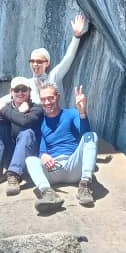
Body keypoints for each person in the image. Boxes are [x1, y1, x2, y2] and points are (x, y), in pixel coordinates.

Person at [0, 15, 88, 123]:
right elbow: (10, 97)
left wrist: (76, 37)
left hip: (61, 122)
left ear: (46, 63)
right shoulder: (28, 84)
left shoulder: (54, 77)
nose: (35, 64)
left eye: (39, 61)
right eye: (32, 61)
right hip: (41, 126)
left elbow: (68, 59)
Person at [24, 83, 98, 212]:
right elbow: (42, 150)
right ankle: (49, 194)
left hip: (74, 165)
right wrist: (43, 156)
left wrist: (82, 112)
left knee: (91, 136)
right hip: (54, 168)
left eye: (50, 98)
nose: (47, 102)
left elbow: (85, 133)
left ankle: (85, 185)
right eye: (43, 99)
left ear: (57, 97)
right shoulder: (41, 122)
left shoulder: (71, 114)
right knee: (30, 160)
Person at [0, 77, 44, 195]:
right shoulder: (6, 107)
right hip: (9, 154)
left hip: (28, 156)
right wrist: (18, 114)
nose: (20, 93)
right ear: (11, 92)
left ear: (29, 91)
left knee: (27, 133)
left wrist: (6, 110)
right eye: (17, 90)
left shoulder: (36, 108)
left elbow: (25, 122)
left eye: (24, 89)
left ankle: (14, 176)